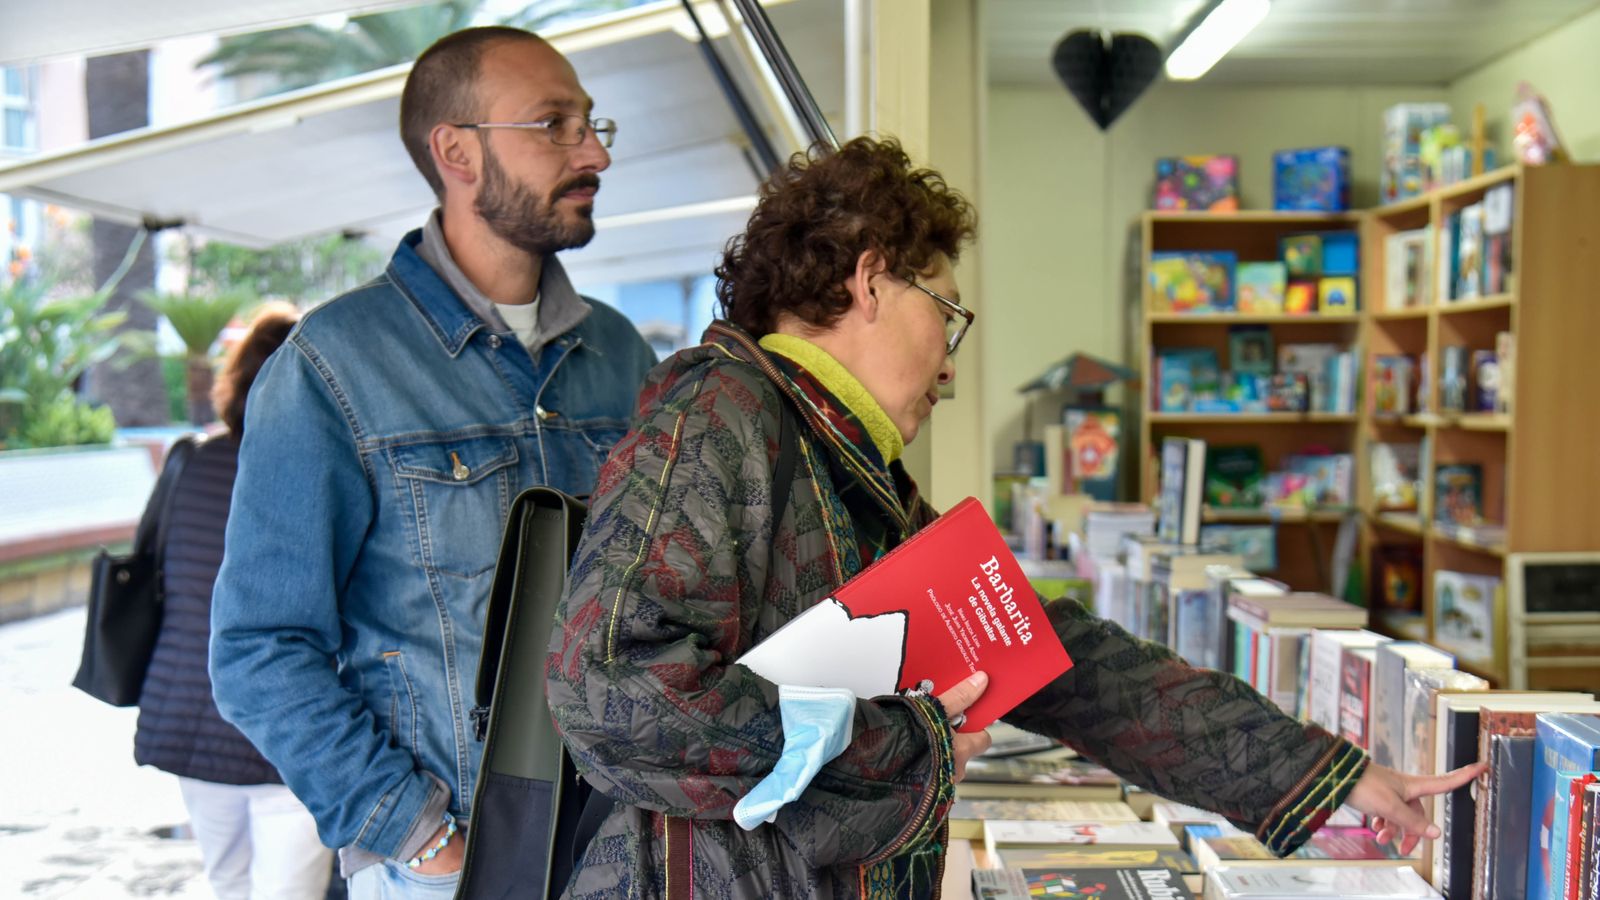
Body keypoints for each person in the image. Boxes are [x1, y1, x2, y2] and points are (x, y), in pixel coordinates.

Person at [545, 137, 1484, 899]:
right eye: (947, 314)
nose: (951, 365)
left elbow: (1057, 662)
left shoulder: (840, 462)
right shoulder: (719, 417)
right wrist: (903, 737)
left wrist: (1321, 772)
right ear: (871, 282)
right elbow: (607, 694)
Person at [210, 25, 657, 898]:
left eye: (593, 123)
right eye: (555, 124)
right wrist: (415, 834)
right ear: (455, 150)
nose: (594, 150)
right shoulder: (334, 367)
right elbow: (261, 647)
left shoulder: (622, 355)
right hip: (447, 870)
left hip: (622, 856)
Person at [133, 303, 333, 899]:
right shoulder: (322, 468)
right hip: (291, 733)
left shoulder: (191, 460)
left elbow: (156, 570)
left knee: (227, 885)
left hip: (193, 716)